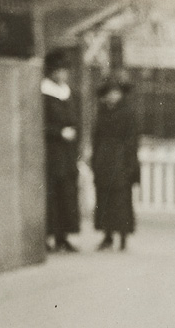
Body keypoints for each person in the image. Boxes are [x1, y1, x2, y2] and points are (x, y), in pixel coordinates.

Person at [91, 74, 140, 251]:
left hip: (121, 159)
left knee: (121, 198)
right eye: (110, 93)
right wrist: (95, 160)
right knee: (104, 198)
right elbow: (95, 137)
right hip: (104, 159)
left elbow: (132, 140)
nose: (113, 96)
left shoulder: (127, 112)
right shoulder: (102, 112)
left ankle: (123, 237)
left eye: (116, 93)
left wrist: (130, 164)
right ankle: (107, 235)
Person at [41, 49, 80, 252]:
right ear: (52, 72)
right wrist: (59, 133)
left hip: (67, 153)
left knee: (66, 193)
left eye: (65, 71)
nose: (63, 75)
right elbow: (40, 123)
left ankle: (62, 236)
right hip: (51, 150)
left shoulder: (67, 93)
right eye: (59, 70)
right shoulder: (44, 93)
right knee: (51, 194)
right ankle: (48, 236)